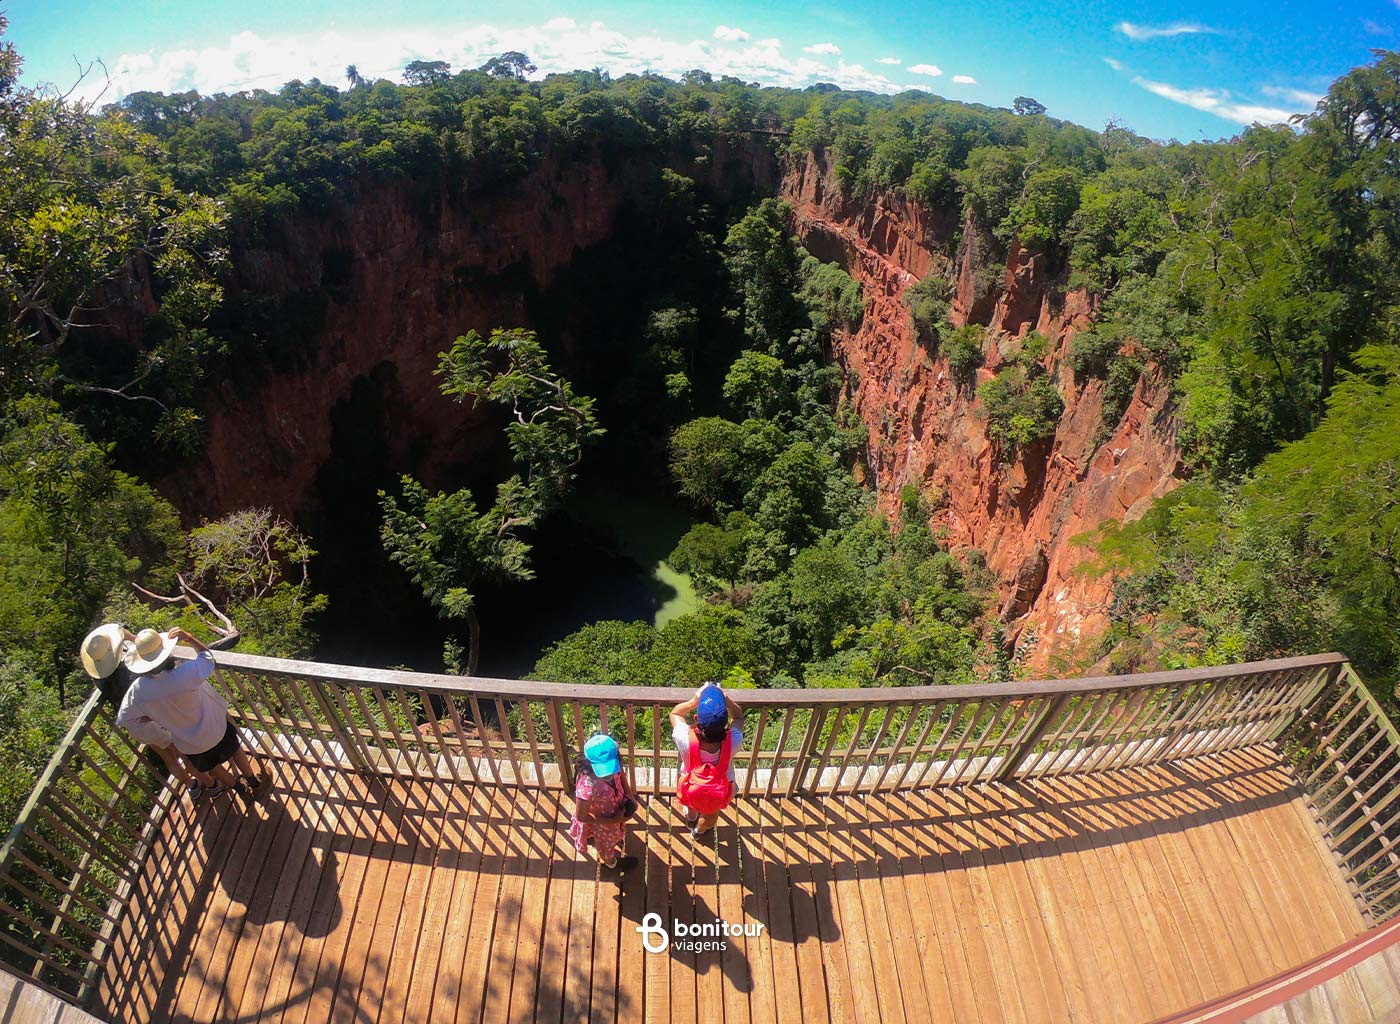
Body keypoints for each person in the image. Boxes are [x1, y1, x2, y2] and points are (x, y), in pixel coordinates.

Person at [118, 627, 271, 804]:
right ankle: (255, 783)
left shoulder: (138, 691)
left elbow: (126, 718)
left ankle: (241, 790)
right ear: (165, 653)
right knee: (235, 750)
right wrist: (189, 637)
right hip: (214, 726)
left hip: (188, 743)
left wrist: (151, 716)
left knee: (213, 767)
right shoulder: (186, 673)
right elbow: (207, 657)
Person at [81, 623, 215, 797]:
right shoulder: (130, 667)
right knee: (184, 751)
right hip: (151, 716)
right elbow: (143, 650)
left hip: (134, 722)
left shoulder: (99, 678)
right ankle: (211, 785)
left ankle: (192, 785)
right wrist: (127, 637)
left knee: (168, 756)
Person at [670, 682, 744, 835]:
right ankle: (698, 831)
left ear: (697, 718)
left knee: (692, 798)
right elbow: (738, 717)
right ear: (725, 723)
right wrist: (728, 701)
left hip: (692, 782)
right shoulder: (734, 741)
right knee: (711, 814)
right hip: (719, 786)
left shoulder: (684, 738)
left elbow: (675, 714)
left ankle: (691, 817)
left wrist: (694, 701)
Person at [567, 733, 638, 870]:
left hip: (616, 810)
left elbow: (621, 775)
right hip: (604, 821)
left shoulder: (615, 761)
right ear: (588, 763)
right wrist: (612, 821)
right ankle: (611, 863)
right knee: (606, 846)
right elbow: (581, 816)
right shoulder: (587, 785)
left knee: (610, 838)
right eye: (604, 770)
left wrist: (630, 796)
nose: (609, 774)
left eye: (612, 768)